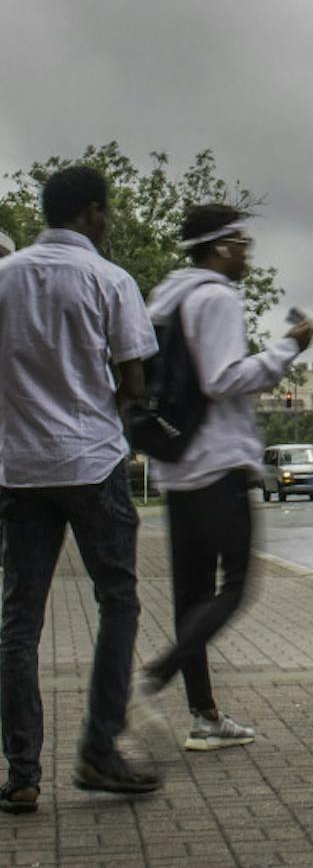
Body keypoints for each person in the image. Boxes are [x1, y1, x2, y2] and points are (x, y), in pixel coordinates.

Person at [0, 166, 162, 813]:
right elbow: (133, 380)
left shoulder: (5, 278)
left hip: (18, 468)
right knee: (117, 601)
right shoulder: (109, 279)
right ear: (92, 213)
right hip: (92, 462)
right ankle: (98, 747)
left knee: (19, 619)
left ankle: (22, 770)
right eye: (108, 210)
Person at [134, 205, 313, 751]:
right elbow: (222, 379)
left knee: (192, 596)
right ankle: (150, 680)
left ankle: (205, 717)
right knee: (235, 588)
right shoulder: (215, 297)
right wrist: (289, 348)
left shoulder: (167, 296)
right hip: (217, 464)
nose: (246, 251)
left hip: (178, 464)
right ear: (217, 247)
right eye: (240, 241)